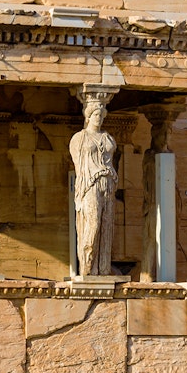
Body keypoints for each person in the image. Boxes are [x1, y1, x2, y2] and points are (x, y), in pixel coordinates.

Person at [69, 100, 117, 276]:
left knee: (107, 226)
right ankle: (88, 269)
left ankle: (103, 269)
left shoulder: (108, 138)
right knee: (93, 224)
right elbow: (78, 165)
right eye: (96, 115)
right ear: (88, 116)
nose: (99, 118)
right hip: (90, 184)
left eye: (101, 115)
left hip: (109, 183)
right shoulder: (79, 138)